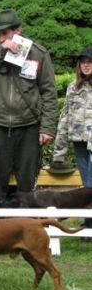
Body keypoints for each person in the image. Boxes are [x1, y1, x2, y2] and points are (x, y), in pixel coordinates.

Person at [0, 9, 57, 207]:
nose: (2, 38)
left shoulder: (38, 53)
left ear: (18, 30)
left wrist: (47, 127)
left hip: (29, 126)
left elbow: (48, 92)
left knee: (27, 187)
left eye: (6, 33)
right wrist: (0, 51)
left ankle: (26, 231)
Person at [52, 46, 92, 229]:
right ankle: (88, 224)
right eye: (83, 62)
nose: (86, 65)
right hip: (80, 143)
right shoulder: (73, 88)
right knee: (87, 186)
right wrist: (59, 153)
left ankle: (89, 225)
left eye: (89, 62)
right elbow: (65, 118)